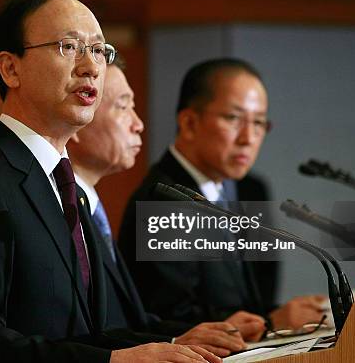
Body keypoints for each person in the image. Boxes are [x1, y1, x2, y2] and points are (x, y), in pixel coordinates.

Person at [0, 0, 220, 363]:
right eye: (69, 46)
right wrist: (113, 361)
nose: (91, 66)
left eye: (98, 50)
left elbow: (90, 332)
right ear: (11, 68)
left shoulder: (70, 190)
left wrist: (175, 344)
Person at [118, 58, 326, 341]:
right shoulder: (162, 202)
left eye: (259, 123)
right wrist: (270, 322)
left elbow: (251, 301)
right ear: (189, 122)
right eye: (233, 118)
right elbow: (170, 322)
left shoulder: (249, 189)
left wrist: (285, 316)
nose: (248, 137)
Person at [68, 58, 250, 357]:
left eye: (259, 122)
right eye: (122, 106)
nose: (138, 124)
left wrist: (178, 339)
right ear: (76, 121)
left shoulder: (87, 205)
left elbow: (126, 322)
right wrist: (176, 340)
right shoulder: (162, 200)